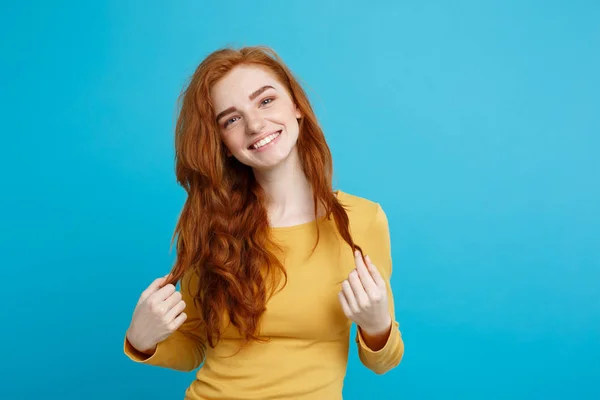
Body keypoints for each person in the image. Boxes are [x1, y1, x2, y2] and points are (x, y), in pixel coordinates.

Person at [124, 45, 404, 399]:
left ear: (297, 106)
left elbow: (384, 362)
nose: (255, 124)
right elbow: (194, 343)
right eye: (232, 119)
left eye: (266, 101)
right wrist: (142, 342)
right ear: (224, 143)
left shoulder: (362, 221)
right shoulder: (211, 224)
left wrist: (377, 326)